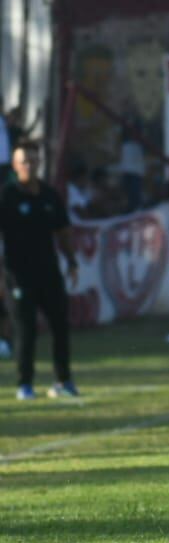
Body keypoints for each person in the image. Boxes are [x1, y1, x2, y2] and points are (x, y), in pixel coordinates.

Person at [0, 142, 78, 399]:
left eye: (33, 161)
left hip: (48, 270)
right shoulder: (6, 196)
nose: (28, 166)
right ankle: (25, 385)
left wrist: (72, 261)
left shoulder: (49, 195)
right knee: (26, 328)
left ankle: (63, 381)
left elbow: (63, 231)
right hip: (17, 274)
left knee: (60, 325)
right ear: (15, 165)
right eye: (24, 161)